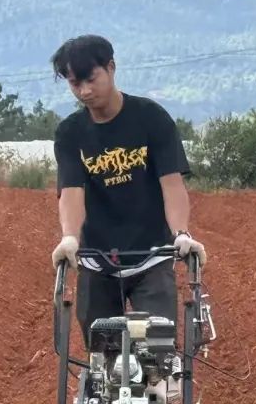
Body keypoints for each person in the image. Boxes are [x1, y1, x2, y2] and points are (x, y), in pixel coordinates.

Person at [49, 34, 207, 348]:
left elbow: (172, 184)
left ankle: (157, 391)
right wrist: (70, 237)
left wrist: (180, 233)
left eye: (91, 79)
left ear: (111, 67)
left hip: (151, 255)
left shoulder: (151, 118)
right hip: (97, 259)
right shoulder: (71, 133)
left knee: (157, 351)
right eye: (74, 83)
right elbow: (71, 191)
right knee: (101, 359)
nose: (84, 91)